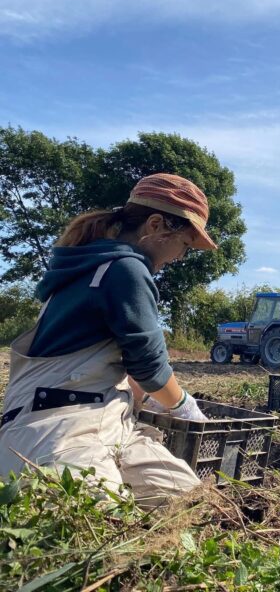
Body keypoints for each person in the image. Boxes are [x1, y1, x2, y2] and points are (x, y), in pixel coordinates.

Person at [0, 173, 217, 504]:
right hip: (56, 425)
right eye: (184, 244)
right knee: (99, 513)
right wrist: (183, 405)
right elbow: (150, 367)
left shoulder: (90, 265)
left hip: (111, 424)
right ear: (156, 225)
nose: (179, 257)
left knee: (189, 501)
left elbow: (128, 361)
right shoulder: (124, 270)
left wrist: (142, 396)